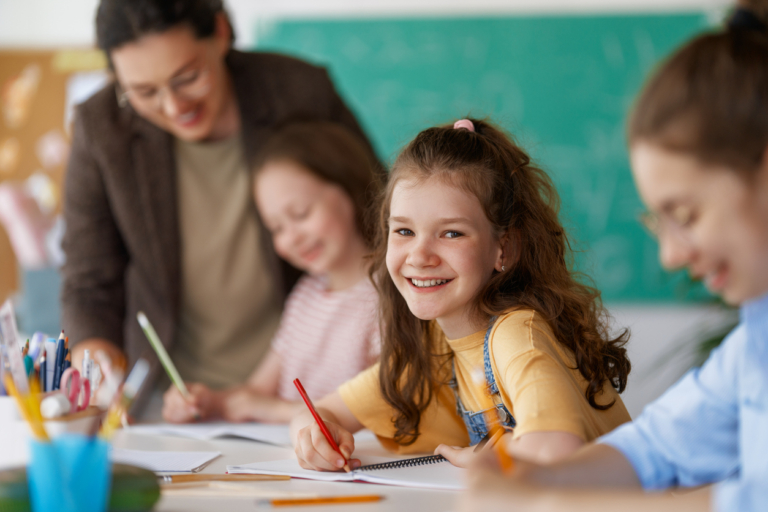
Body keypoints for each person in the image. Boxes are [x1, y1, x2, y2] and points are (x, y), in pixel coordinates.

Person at [461, 4, 768, 511]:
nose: (670, 256)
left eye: (686, 214)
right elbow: (656, 447)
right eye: (657, 224)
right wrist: (540, 481)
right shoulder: (757, 335)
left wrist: (549, 504)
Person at [61, 0, 378, 416]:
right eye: (144, 92)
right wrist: (98, 361)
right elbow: (89, 279)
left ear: (221, 33)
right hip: (170, 394)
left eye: (187, 77)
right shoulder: (101, 128)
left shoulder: (298, 92)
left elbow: (379, 206)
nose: (174, 107)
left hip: (303, 387)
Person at [289, 118, 632, 471]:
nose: (420, 256)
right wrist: (314, 434)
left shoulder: (517, 333)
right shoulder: (433, 349)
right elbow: (316, 412)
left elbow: (555, 451)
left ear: (505, 249)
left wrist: (481, 456)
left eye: (451, 233)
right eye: (404, 230)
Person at [162, 121, 382, 424]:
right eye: (276, 228)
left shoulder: (390, 295)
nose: (291, 238)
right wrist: (208, 401)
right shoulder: (306, 295)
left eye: (300, 214)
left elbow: (381, 408)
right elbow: (255, 392)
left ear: (348, 188)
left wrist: (272, 410)